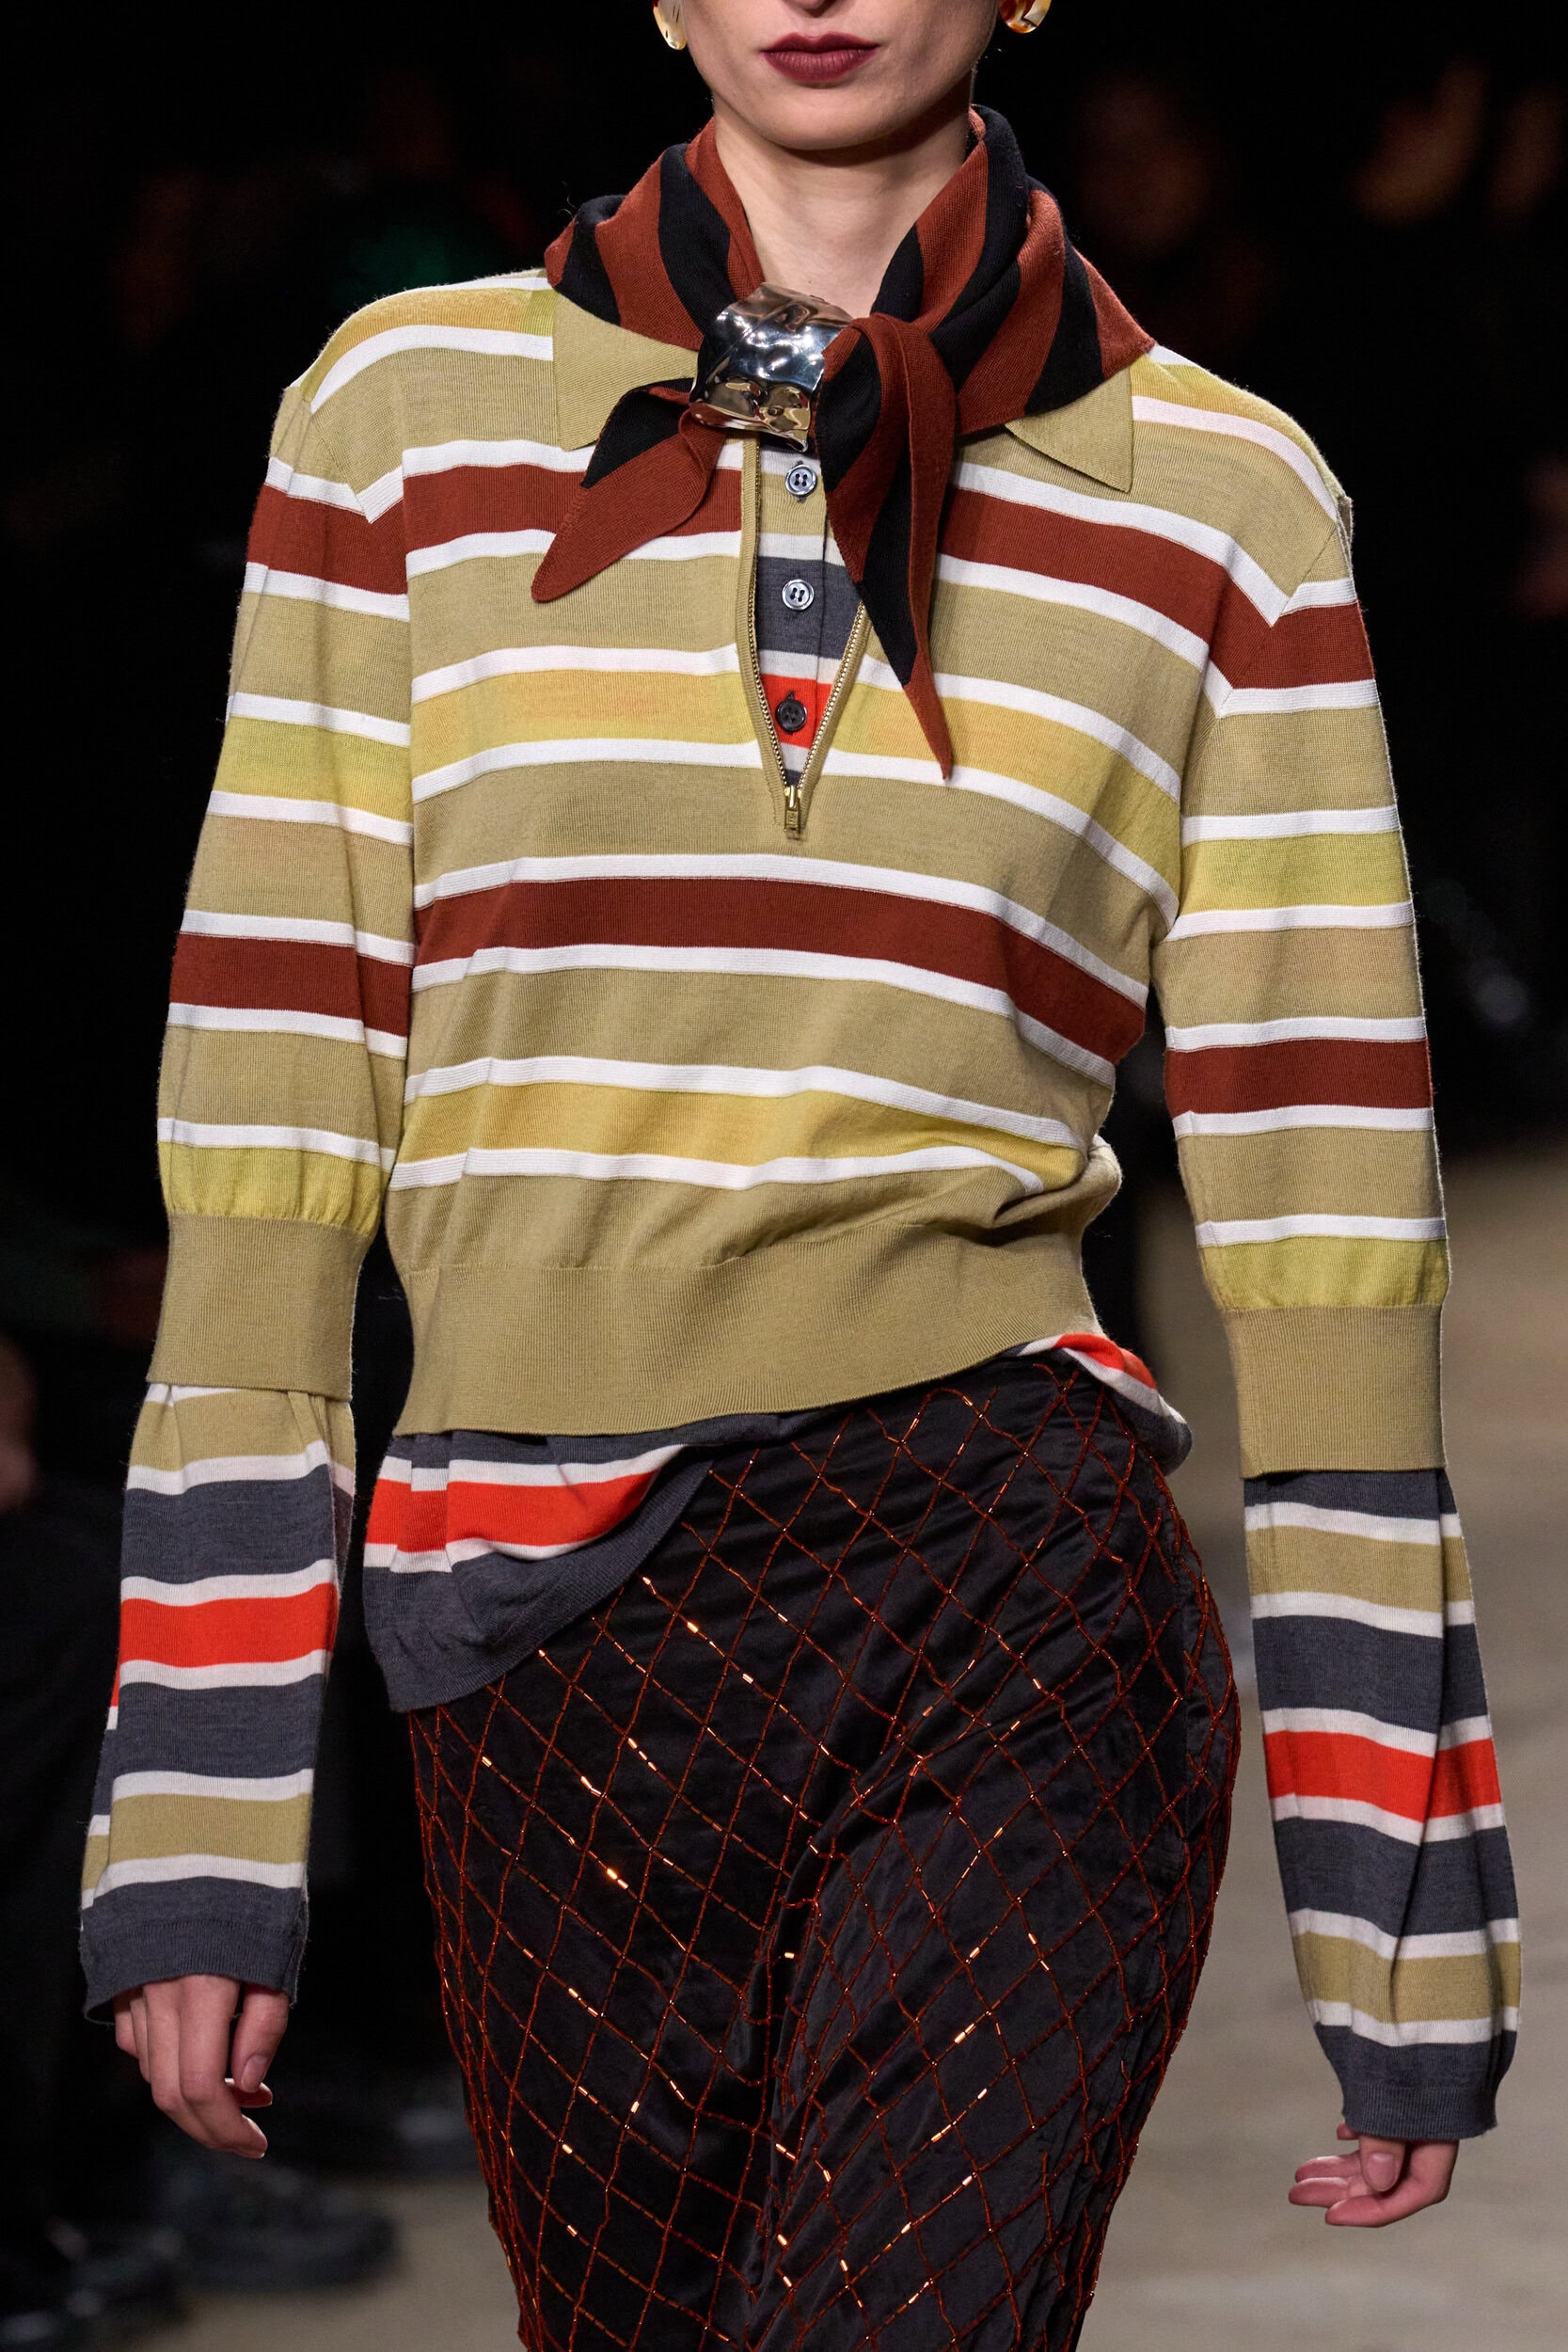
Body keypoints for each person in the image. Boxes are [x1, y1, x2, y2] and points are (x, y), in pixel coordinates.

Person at [83, 3, 1518, 2344]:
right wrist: (201, 1811)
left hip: (1010, 1584)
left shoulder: (1221, 490)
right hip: (542, 1637)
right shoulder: (400, 418)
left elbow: (1330, 1203)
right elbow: (269, 1128)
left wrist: (1402, 1912)